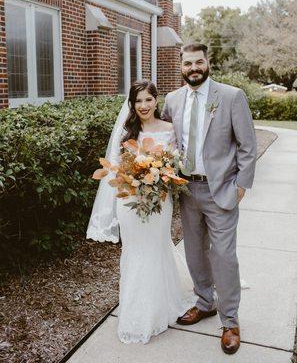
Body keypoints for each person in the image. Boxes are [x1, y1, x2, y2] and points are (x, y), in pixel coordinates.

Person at [162, 42, 257, 355]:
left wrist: (241, 185)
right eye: (187, 63)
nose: (193, 68)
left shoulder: (231, 96)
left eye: (198, 62)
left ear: (208, 62)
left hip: (221, 191)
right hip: (187, 191)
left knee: (224, 256)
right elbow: (164, 140)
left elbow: (247, 145)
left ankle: (230, 321)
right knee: (194, 254)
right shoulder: (173, 100)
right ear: (181, 66)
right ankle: (205, 303)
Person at [86, 80, 195, 344]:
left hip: (159, 201)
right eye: (138, 101)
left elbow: (178, 165)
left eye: (148, 99)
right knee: (134, 251)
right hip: (129, 203)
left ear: (156, 101)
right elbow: (115, 169)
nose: (144, 105)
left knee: (157, 247)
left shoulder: (170, 129)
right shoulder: (127, 133)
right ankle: (136, 312)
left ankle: (161, 306)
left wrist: (160, 175)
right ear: (132, 105)